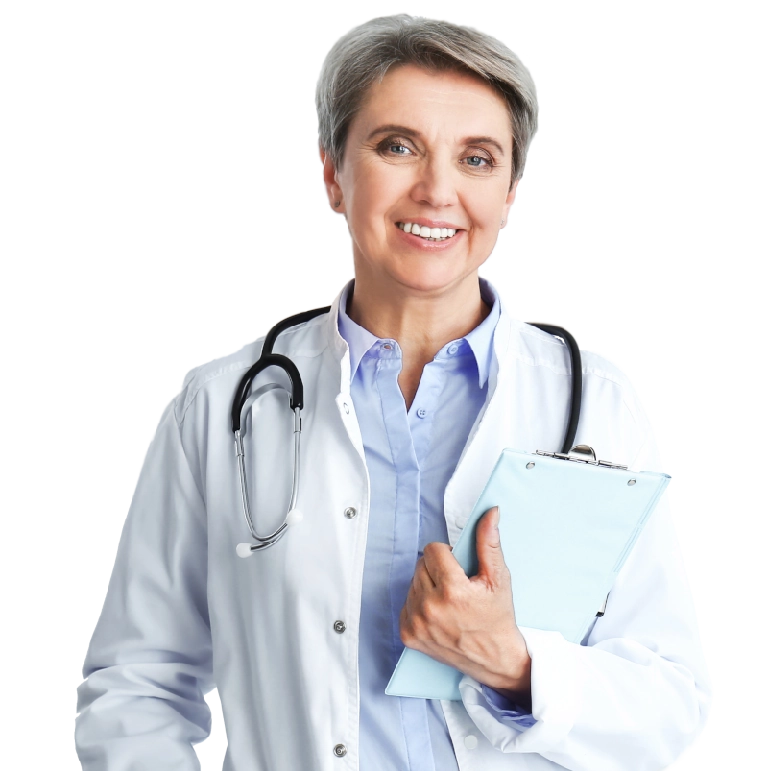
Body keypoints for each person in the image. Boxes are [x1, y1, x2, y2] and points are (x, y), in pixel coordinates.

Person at [74, 15, 710, 770]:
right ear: (334, 174)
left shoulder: (598, 404)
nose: (437, 190)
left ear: (510, 192)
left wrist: (513, 665)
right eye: (397, 146)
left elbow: (672, 703)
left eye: (476, 158)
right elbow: (137, 684)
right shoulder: (223, 406)